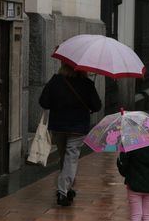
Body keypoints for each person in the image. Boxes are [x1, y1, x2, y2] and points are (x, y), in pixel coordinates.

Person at [39, 62, 102, 206]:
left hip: (58, 127)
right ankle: (62, 191)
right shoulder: (86, 84)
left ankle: (67, 188)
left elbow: (44, 102)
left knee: (65, 157)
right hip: (77, 128)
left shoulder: (55, 81)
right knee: (70, 158)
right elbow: (97, 106)